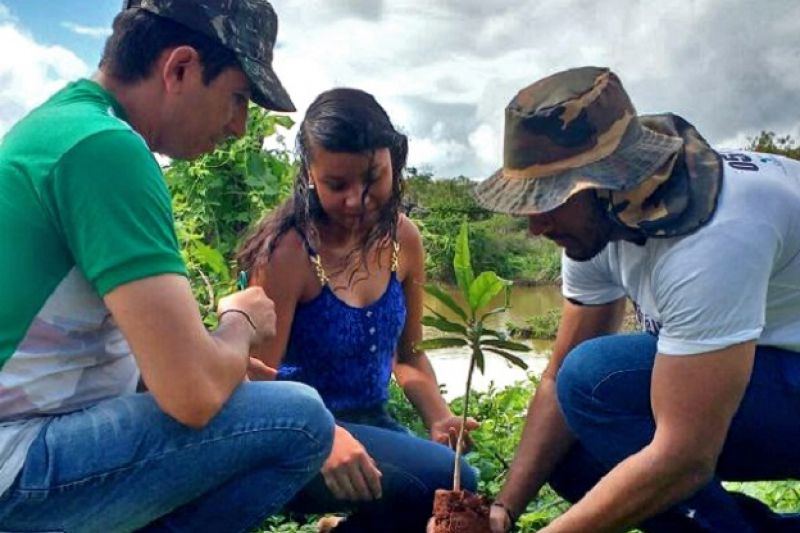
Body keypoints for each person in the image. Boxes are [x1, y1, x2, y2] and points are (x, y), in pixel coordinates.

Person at [0, 1, 335, 531]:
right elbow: (193, 396)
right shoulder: (106, 149)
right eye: (238, 98)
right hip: (14, 463)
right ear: (179, 68)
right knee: (302, 421)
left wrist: (213, 358)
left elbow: (121, 361)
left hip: (25, 437)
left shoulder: (62, 128)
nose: (239, 125)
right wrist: (239, 323)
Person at [473, 66, 800, 533]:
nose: (534, 226)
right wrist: (503, 510)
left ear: (607, 179)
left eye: (548, 200)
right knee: (567, 448)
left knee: (596, 379)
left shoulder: (716, 235)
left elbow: (685, 456)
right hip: (770, 370)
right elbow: (555, 377)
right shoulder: (599, 219)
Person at [237, 87, 479, 532]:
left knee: (459, 491)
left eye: (373, 179)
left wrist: (439, 416)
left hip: (372, 423)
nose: (357, 199)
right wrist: (322, 436)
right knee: (438, 482)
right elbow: (254, 382)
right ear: (309, 175)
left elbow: (408, 357)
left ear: (395, 162)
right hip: (292, 435)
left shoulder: (403, 239)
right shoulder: (288, 254)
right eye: (337, 185)